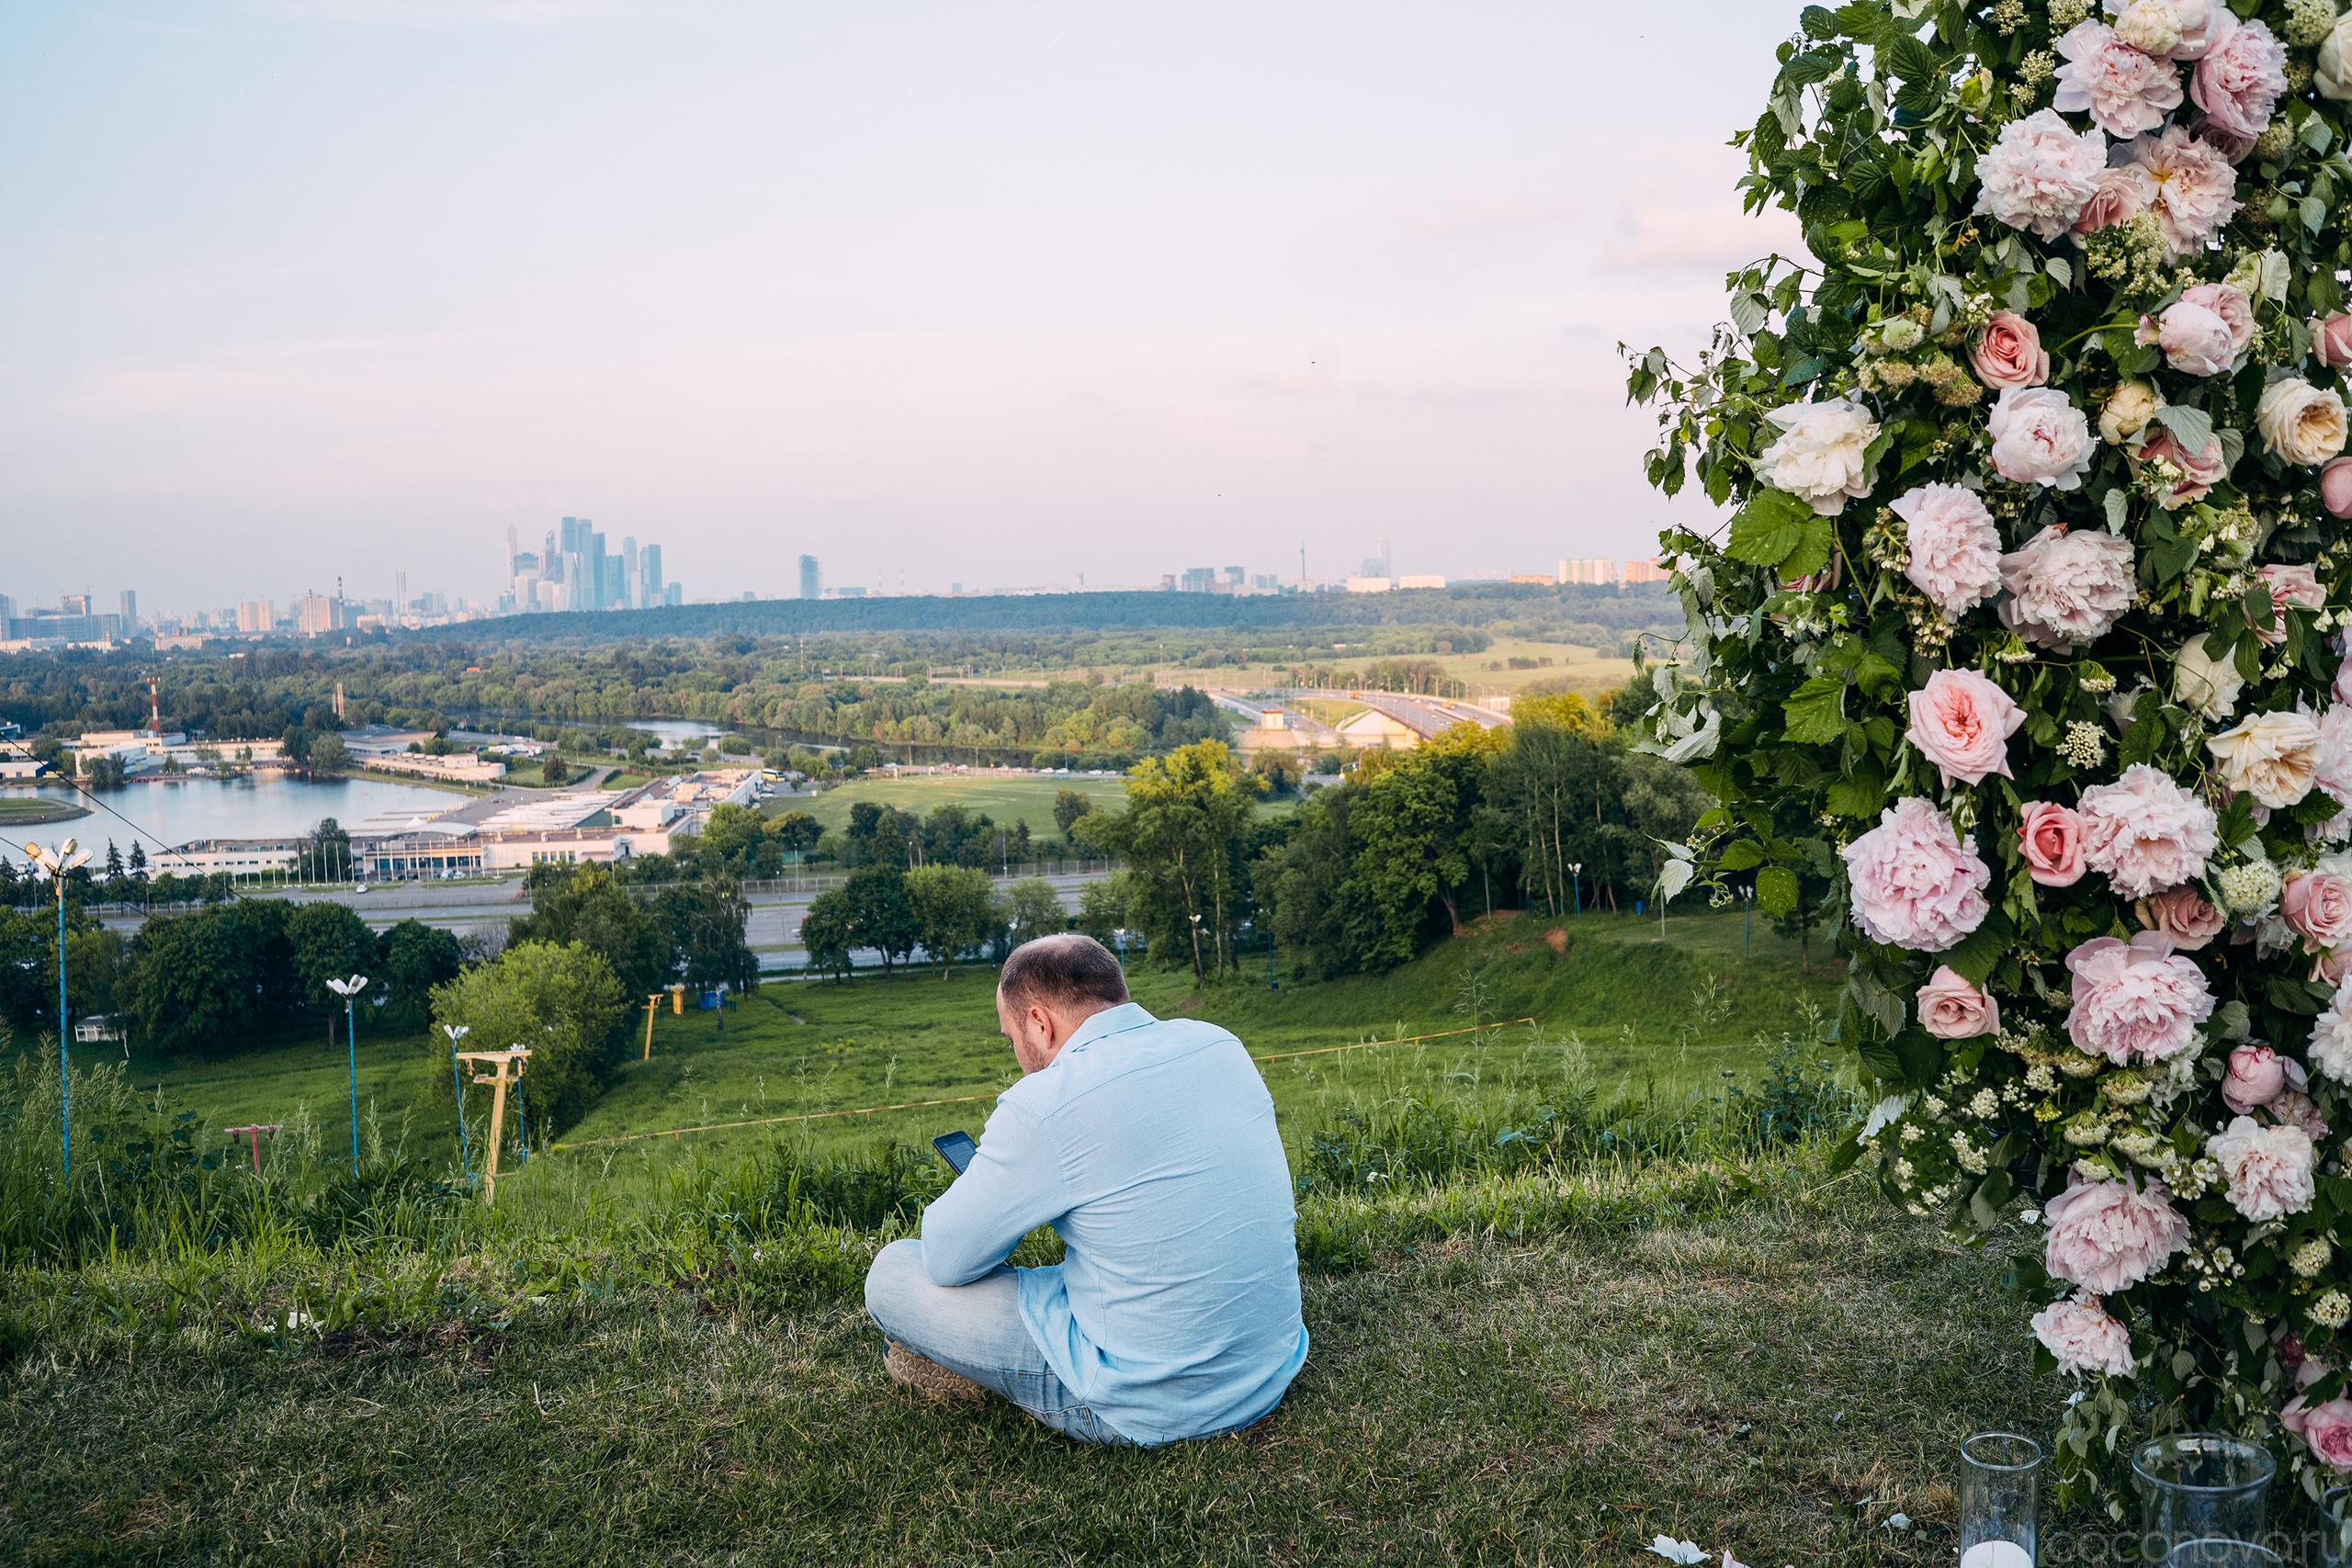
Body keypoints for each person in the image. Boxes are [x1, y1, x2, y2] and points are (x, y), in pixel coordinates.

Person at [863, 931, 1308, 1446]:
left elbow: (946, 1260)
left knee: (892, 1272)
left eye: (1011, 1039)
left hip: (1147, 1403)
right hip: (1269, 1365)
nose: (1017, 1056)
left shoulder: (1044, 1101)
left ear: (1040, 1022)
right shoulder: (1220, 1044)